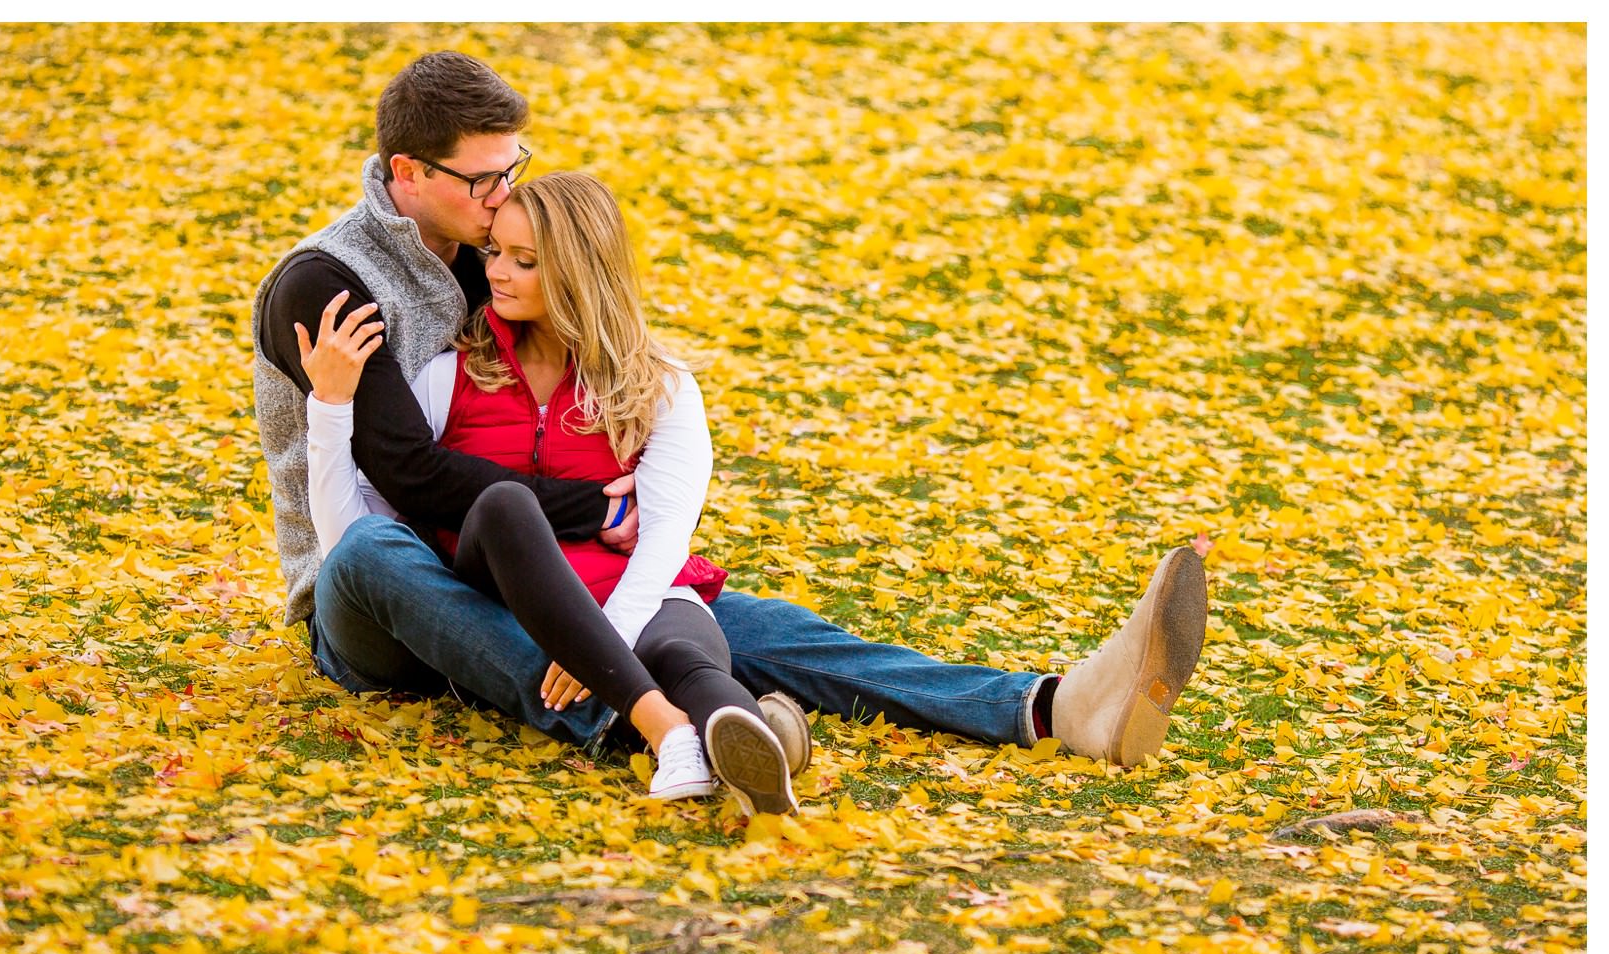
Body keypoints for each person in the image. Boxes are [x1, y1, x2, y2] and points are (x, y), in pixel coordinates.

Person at [250, 51, 1207, 780]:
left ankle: (1046, 707)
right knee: (391, 557)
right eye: (485, 185)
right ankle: (648, 722)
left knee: (726, 616)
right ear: (408, 173)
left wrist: (615, 553)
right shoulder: (329, 284)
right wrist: (588, 516)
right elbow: (405, 481)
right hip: (389, 581)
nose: (505, 213)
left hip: (523, 569)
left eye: (514, 179)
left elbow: (586, 320)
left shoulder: (478, 247)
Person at [295, 172, 799, 814]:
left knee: (685, 654)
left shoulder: (659, 385)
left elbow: (667, 537)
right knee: (506, 503)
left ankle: (755, 754)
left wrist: (603, 642)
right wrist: (331, 408)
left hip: (630, 592)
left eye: (524, 261)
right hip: (497, 598)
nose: (497, 273)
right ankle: (667, 732)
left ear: (580, 274)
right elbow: (358, 547)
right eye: (495, 253)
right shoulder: (451, 374)